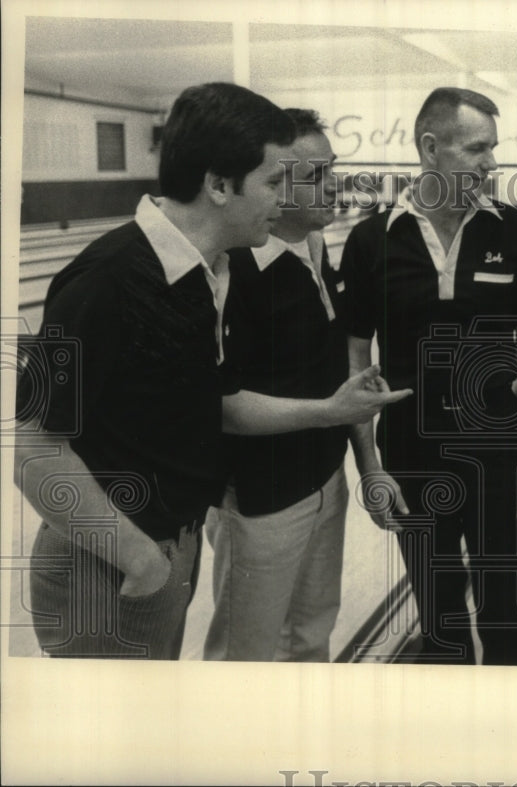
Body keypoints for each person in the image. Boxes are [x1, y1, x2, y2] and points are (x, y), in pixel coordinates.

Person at [13, 83, 296, 658]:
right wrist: (140, 560)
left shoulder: (212, 272)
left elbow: (204, 401)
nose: (285, 199)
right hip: (106, 568)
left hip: (167, 548)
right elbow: (33, 450)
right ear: (219, 185)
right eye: (273, 182)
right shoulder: (106, 281)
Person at [341, 87, 517, 665]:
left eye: (494, 148)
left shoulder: (512, 230)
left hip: (499, 453)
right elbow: (356, 359)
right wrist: (371, 468)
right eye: (477, 148)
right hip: (410, 455)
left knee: (507, 612)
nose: (491, 163)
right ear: (431, 148)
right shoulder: (371, 240)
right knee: (439, 615)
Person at [204, 109, 411, 662]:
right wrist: (330, 412)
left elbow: (338, 379)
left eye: (331, 169)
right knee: (246, 653)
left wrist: (368, 467)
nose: (332, 186)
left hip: (324, 482)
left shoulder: (315, 249)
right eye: (312, 174)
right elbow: (218, 405)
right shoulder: (235, 272)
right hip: (260, 501)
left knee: (312, 635)